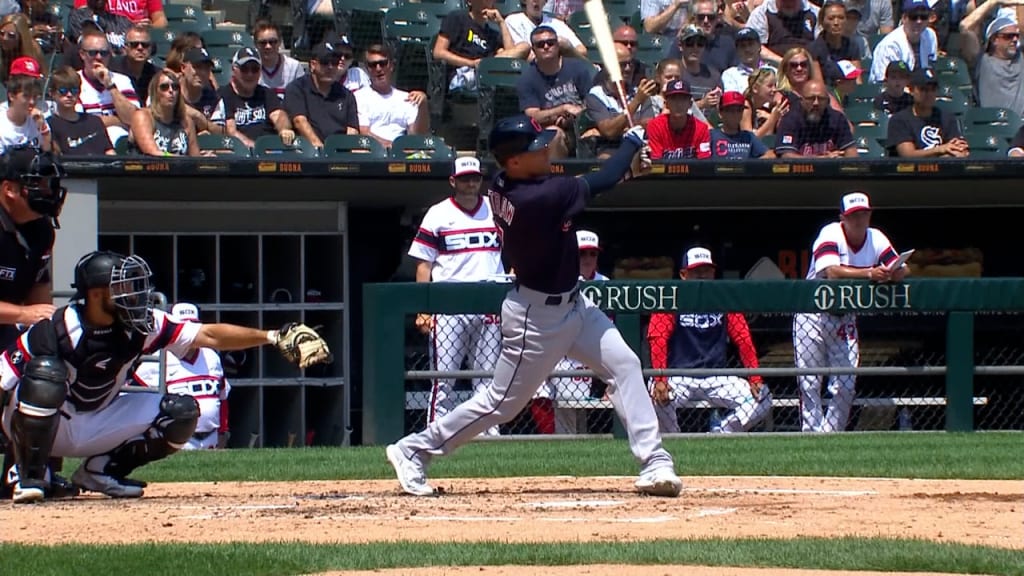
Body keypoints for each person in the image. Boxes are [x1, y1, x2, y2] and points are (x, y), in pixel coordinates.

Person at [386, 115, 682, 498]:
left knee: (624, 365)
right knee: (500, 404)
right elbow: (600, 181)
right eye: (535, 147)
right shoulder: (537, 198)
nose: (545, 148)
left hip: (575, 305)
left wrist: (626, 169)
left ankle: (655, 461)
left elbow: (591, 185)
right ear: (514, 161)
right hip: (536, 319)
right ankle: (414, 450)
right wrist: (630, 142)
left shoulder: (506, 185)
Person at [0, 250, 330, 502]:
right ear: (98, 294)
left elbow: (209, 336)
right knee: (45, 374)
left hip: (95, 418)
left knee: (181, 413)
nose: (134, 295)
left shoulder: (141, 326)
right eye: (124, 288)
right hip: (45, 423)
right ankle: (28, 475)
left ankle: (100, 473)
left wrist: (271, 336)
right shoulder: (56, 329)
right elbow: (3, 379)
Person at [792, 191, 907, 433]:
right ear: (843, 217)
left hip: (845, 315)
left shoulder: (876, 237)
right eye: (854, 215)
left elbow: (901, 269)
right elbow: (831, 272)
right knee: (810, 382)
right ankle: (811, 435)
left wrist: (892, 273)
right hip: (812, 315)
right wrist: (870, 273)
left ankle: (830, 436)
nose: (859, 220)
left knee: (846, 384)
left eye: (863, 214)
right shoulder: (831, 232)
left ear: (870, 214)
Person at [408, 157, 504, 437]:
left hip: (487, 303)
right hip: (448, 306)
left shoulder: (494, 208)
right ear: (453, 182)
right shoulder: (438, 214)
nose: (470, 183)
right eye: (464, 179)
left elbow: (520, 243)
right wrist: (423, 309)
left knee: (487, 378)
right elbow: (423, 264)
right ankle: (437, 434)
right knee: (444, 379)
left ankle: (489, 434)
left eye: (475, 178)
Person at [0, 146, 72, 501]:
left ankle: (33, 470)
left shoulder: (42, 232)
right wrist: (24, 315)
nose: (49, 191)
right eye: (38, 184)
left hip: (7, 328)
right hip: (7, 322)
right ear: (9, 189)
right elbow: (28, 311)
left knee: (52, 364)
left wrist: (44, 325)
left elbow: (40, 296)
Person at [648, 247, 772, 433]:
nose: (702, 275)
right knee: (656, 398)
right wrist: (660, 378)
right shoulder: (671, 297)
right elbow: (658, 339)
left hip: (716, 377)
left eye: (706, 270)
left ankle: (722, 432)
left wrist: (754, 378)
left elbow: (743, 338)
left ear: (713, 273)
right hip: (678, 376)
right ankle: (675, 440)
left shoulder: (723, 297)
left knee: (764, 398)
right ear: (684, 274)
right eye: (696, 271)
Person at [531, 230, 611, 435]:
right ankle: (553, 443)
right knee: (538, 389)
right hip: (559, 352)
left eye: (592, 254)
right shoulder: (556, 280)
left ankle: (571, 441)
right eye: (582, 254)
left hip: (591, 354)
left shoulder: (606, 283)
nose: (587, 259)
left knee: (571, 400)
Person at [130, 303, 231, 451]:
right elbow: (135, 395)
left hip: (211, 438)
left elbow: (222, 397)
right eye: (184, 326)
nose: (189, 332)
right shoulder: (160, 357)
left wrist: (223, 431)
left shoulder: (211, 356)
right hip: (178, 438)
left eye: (193, 326)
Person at [210, 47, 295, 150]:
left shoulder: (266, 93)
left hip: (270, 153)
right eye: (245, 69)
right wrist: (256, 149)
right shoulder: (224, 95)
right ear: (234, 69)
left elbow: (278, 116)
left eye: (254, 69)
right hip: (240, 154)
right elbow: (231, 132)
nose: (250, 74)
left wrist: (284, 129)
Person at [284, 40, 359, 149]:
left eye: (334, 62)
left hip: (339, 153)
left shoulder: (346, 95)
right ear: (313, 65)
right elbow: (299, 121)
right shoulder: (297, 88)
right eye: (325, 62)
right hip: (307, 152)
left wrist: (345, 151)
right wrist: (320, 149)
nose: (330, 67)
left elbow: (352, 130)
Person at [354, 44, 430, 148]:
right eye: (373, 65)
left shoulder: (406, 98)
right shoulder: (359, 97)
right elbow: (363, 133)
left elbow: (417, 135)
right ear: (367, 69)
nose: (378, 68)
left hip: (403, 153)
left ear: (391, 66)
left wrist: (423, 105)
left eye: (383, 63)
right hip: (371, 152)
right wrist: (392, 146)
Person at [886, 68, 968, 158]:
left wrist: (959, 151)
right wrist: (940, 150)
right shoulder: (900, 120)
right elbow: (907, 155)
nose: (929, 94)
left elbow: (957, 148)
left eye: (933, 90)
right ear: (911, 90)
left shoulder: (946, 118)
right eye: (923, 89)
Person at [774, 79, 857, 158]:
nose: (816, 103)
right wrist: (823, 159)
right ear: (802, 100)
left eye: (821, 99)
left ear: (827, 101)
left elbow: (851, 151)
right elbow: (787, 156)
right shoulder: (790, 120)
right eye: (810, 98)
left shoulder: (837, 119)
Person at [129, 70, 200, 157]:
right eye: (164, 87)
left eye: (175, 87)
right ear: (155, 92)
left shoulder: (187, 122)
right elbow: (152, 152)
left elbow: (195, 158)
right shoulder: (143, 116)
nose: (171, 91)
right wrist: (180, 159)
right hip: (148, 168)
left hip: (179, 169)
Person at [46, 66, 115, 156]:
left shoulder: (94, 121)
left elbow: (109, 152)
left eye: (74, 91)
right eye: (63, 91)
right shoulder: (49, 125)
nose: (69, 95)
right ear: (52, 93)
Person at [868, 0, 938, 84]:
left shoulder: (930, 35)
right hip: (889, 92)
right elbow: (885, 83)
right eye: (913, 16)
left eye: (923, 16)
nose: (919, 21)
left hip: (921, 90)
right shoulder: (890, 45)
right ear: (904, 18)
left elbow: (931, 69)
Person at [647, 80, 713, 160]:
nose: (678, 104)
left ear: (690, 104)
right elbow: (656, 164)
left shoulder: (701, 128)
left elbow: (704, 163)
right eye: (674, 99)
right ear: (666, 104)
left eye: (683, 99)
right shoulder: (655, 126)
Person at [0, 57, 50, 154]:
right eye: (26, 96)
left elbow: (47, 151)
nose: (32, 102)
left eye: (35, 96)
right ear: (11, 95)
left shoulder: (37, 118)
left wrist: (42, 126)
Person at [711, 90, 774, 158]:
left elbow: (770, 154)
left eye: (739, 110)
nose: (735, 114)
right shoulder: (712, 136)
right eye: (731, 110)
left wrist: (751, 166)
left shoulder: (748, 136)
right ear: (720, 113)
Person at [253, 20, 305, 101]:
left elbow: (302, 98)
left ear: (280, 42)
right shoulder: (250, 68)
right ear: (255, 44)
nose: (268, 46)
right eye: (263, 42)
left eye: (272, 42)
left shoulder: (294, 67)